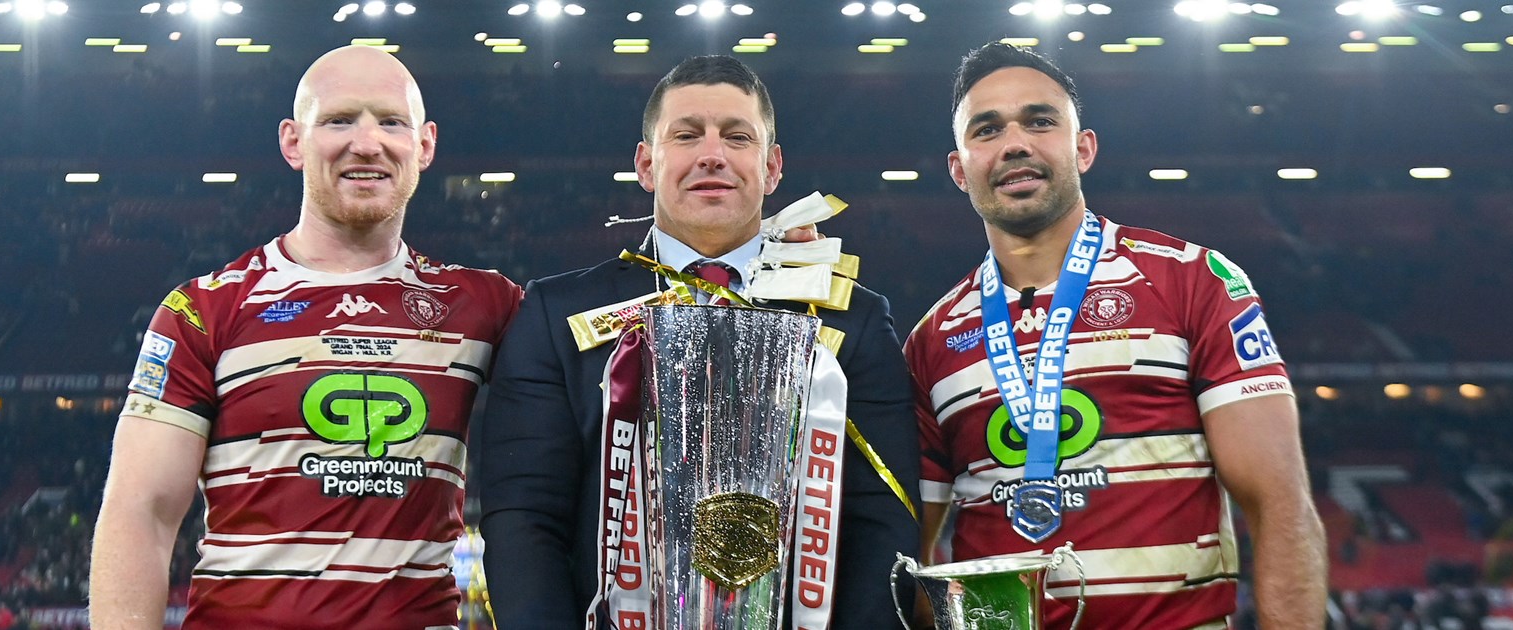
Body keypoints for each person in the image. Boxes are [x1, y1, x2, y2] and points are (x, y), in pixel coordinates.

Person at [476, 55, 919, 629]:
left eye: (737, 136)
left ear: (772, 167)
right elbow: (524, 519)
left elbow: (881, 522)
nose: (712, 153)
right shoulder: (557, 315)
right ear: (646, 164)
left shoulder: (852, 319)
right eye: (686, 135)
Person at [89, 45, 521, 629]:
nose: (366, 143)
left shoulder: (484, 305)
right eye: (339, 120)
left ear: (425, 144)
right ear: (293, 141)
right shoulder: (203, 309)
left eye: (391, 122)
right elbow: (142, 512)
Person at [905, 42, 1327, 628]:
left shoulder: (1195, 282)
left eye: (1040, 121)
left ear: (1084, 149)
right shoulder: (931, 340)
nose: (1015, 144)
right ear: (959, 168)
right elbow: (910, 558)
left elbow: (1280, 505)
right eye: (987, 129)